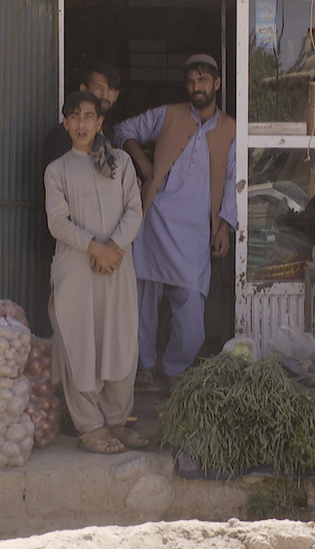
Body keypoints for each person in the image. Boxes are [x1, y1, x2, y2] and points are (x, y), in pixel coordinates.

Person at [114, 53, 236, 387]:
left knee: (192, 321)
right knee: (143, 308)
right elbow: (123, 129)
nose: (197, 87)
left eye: (203, 80)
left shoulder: (230, 129)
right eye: (191, 82)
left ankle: (173, 370)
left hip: (196, 234)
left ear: (217, 84)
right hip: (154, 223)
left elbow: (233, 181)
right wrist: (141, 160)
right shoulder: (168, 114)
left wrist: (223, 226)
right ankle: (143, 367)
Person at [45, 90, 147, 454]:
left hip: (115, 267)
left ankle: (117, 421)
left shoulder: (120, 162)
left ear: (100, 121)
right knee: (81, 343)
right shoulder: (57, 170)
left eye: (88, 116)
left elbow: (134, 211)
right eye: (74, 117)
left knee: (118, 340)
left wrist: (113, 249)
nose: (82, 123)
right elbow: (58, 223)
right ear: (65, 123)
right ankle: (90, 426)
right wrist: (95, 248)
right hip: (78, 269)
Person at [43, 62, 122, 169]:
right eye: (99, 87)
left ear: (116, 95)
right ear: (84, 89)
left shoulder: (108, 133)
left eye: (110, 89)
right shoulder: (64, 134)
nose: (105, 95)